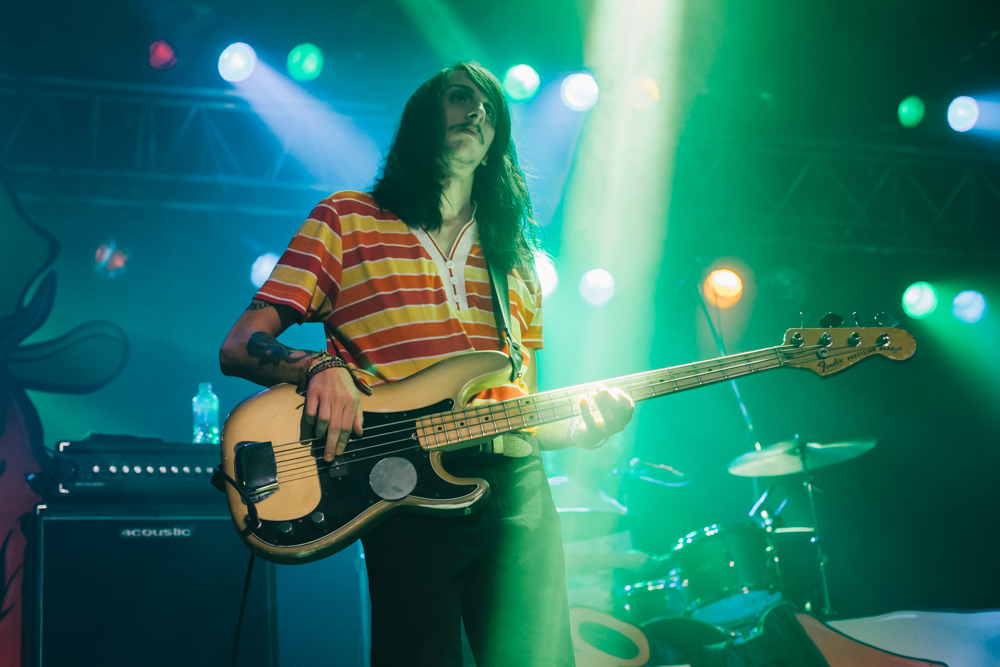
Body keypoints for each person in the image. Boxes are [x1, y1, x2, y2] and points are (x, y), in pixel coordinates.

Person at [220, 62, 634, 667]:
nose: (478, 114)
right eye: (461, 98)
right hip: (403, 483)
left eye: (491, 110)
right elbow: (240, 343)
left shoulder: (515, 260)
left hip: (516, 487)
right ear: (423, 117)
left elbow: (522, 407)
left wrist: (582, 428)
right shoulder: (346, 218)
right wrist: (316, 368)